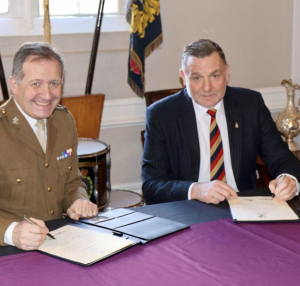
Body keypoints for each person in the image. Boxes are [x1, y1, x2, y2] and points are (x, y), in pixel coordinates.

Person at [142, 39, 300, 205]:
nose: (207, 87)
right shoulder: (162, 114)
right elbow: (152, 185)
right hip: (189, 209)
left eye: (215, 76)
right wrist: (195, 190)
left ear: (227, 73)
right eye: (197, 78)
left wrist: (289, 179)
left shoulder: (251, 104)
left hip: (245, 206)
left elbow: (282, 158)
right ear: (183, 77)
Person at [0, 42, 98, 250]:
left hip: (59, 243)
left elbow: (72, 182)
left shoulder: (64, 121)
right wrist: (11, 232)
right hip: (8, 252)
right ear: (14, 85)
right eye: (36, 84)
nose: (47, 95)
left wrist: (78, 201)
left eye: (54, 83)